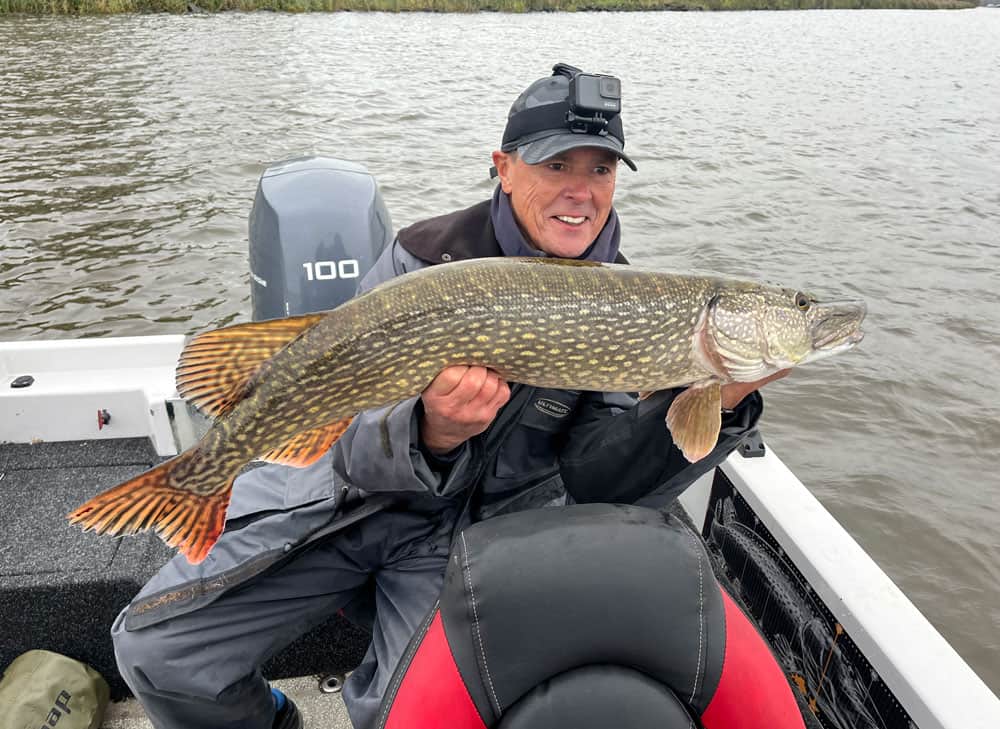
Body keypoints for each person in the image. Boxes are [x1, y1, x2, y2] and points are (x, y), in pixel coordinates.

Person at [111, 63, 786, 729]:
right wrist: (430, 432)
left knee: (413, 711)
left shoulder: (624, 305)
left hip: (473, 538)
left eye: (600, 171)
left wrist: (722, 401)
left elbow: (603, 483)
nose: (580, 192)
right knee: (158, 653)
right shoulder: (422, 257)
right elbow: (344, 444)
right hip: (353, 499)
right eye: (558, 167)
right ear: (504, 165)